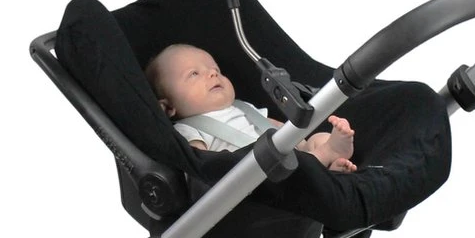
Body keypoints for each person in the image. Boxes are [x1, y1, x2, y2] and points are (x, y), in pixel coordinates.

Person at [145, 43, 357, 172]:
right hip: (257, 175)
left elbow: (273, 126)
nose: (212, 74)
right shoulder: (187, 129)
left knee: (316, 138)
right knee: (303, 162)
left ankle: (328, 155)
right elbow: (200, 165)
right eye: (194, 74)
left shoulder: (242, 107)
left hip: (287, 154)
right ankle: (326, 157)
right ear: (168, 107)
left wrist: (302, 142)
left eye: (215, 69)